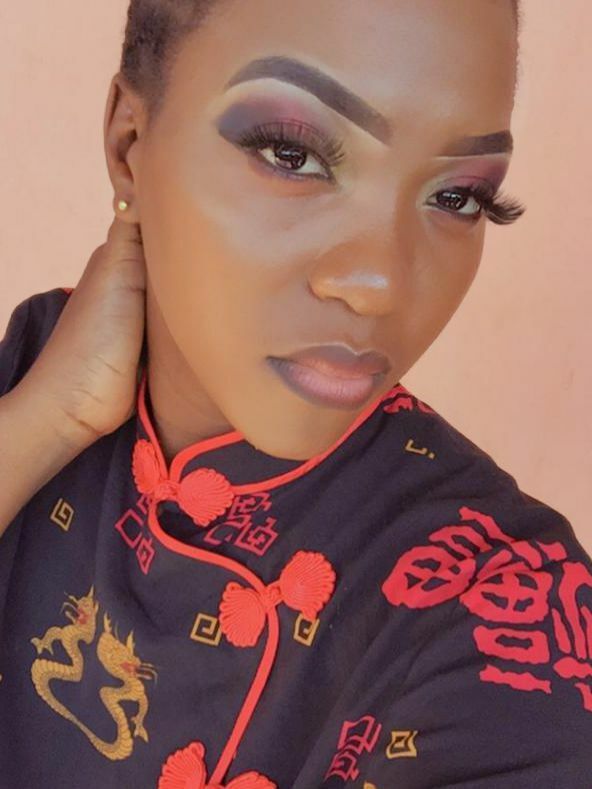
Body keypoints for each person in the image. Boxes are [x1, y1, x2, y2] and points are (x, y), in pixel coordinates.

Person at [1, 0, 590, 786]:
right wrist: (49, 419)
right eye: (293, 154)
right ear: (129, 145)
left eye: (457, 196)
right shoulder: (35, 365)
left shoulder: (504, 603)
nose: (379, 284)